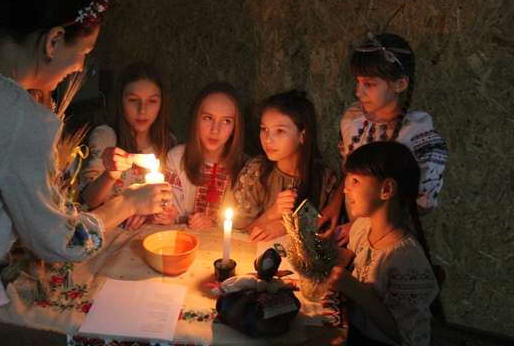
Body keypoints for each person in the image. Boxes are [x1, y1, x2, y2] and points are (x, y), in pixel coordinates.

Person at [0, 0, 170, 346]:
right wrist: (128, 202)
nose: (79, 67)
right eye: (83, 53)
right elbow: (63, 241)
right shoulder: (23, 119)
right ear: (53, 41)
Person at [317, 33, 448, 240]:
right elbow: (352, 172)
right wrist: (335, 204)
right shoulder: (353, 120)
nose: (358, 92)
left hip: (389, 239)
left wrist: (362, 227)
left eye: (369, 84)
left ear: (400, 84)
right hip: (352, 233)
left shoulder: (418, 137)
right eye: (358, 82)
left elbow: (420, 205)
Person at [328, 141, 439, 346]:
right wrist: (322, 251)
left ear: (386, 189)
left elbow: (407, 336)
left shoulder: (405, 259)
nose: (345, 189)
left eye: (355, 181)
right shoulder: (362, 227)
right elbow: (354, 257)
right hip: (352, 330)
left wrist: (356, 290)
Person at [80, 62, 176, 229]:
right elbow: (89, 199)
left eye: (152, 101)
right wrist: (110, 175)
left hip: (149, 235)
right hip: (106, 233)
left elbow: (169, 199)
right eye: (133, 100)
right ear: (121, 101)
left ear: (161, 104)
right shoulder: (106, 137)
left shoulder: (168, 143)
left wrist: (167, 213)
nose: (142, 110)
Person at [234, 90, 339, 241]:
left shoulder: (324, 179)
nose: (268, 139)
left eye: (280, 131)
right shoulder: (256, 171)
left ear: (302, 135)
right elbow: (235, 234)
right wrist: (272, 213)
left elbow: (328, 236)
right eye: (264, 129)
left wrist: (286, 227)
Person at [165, 82, 246, 229]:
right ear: (196, 119)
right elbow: (171, 212)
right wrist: (169, 216)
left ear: (235, 127)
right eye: (208, 118)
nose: (215, 130)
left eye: (226, 121)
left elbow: (245, 220)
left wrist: (214, 224)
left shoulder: (246, 168)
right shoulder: (176, 159)